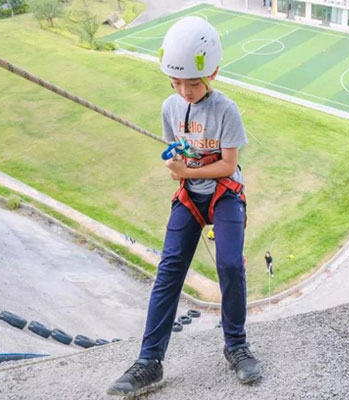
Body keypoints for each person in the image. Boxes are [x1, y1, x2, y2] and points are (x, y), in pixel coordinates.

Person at [107, 16, 261, 397]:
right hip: (191, 198)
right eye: (176, 83)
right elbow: (176, 154)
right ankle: (149, 360)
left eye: (192, 82)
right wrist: (176, 167)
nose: (184, 90)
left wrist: (184, 173)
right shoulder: (170, 107)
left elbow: (227, 164)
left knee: (228, 263)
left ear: (213, 73)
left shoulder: (226, 110)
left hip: (224, 193)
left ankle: (237, 346)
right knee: (169, 269)